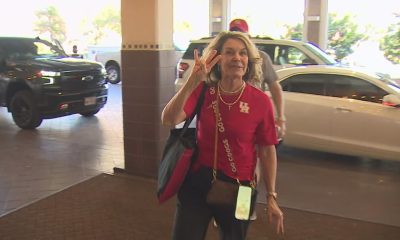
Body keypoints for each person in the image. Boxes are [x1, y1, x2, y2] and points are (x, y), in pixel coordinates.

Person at [161, 31, 284, 240]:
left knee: (236, 236)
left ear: (249, 61)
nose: (237, 58)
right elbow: (169, 119)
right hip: (198, 181)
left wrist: (271, 195)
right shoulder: (204, 91)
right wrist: (192, 81)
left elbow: (267, 149)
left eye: (243, 53)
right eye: (229, 52)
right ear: (217, 59)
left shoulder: (261, 101)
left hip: (243, 189)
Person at [229, 18, 286, 136]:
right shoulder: (226, 59)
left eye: (241, 35)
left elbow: (275, 87)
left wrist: (280, 117)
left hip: (254, 113)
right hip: (231, 113)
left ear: (248, 37)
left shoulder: (261, 58)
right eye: (234, 35)